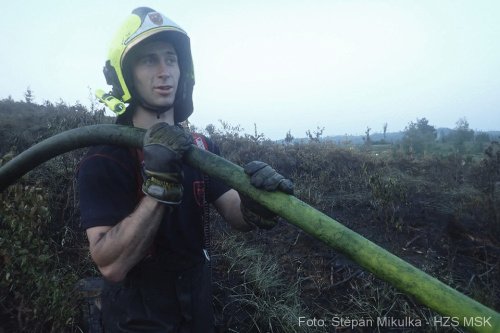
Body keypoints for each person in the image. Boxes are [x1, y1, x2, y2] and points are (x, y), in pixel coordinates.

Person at [77, 7, 293, 333]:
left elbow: (233, 210)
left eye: (171, 59)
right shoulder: (105, 157)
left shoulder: (200, 147)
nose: (165, 71)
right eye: (149, 60)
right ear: (125, 74)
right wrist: (159, 186)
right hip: (137, 320)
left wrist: (254, 202)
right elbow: (111, 265)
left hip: (197, 309)